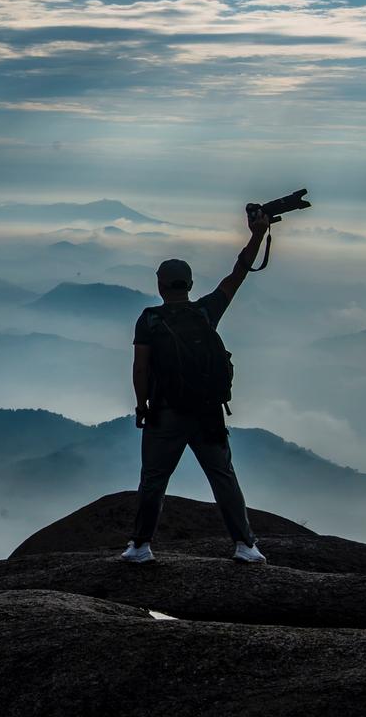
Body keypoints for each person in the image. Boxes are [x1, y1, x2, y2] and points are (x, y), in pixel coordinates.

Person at [120, 208, 271, 566]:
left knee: (153, 481)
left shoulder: (150, 320)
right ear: (189, 285)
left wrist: (142, 406)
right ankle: (245, 545)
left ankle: (140, 547)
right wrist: (257, 234)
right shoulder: (206, 312)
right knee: (223, 478)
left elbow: (140, 367)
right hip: (207, 413)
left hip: (165, 412)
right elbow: (238, 274)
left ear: (160, 285)